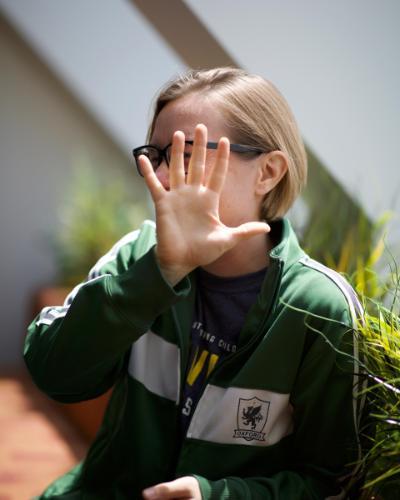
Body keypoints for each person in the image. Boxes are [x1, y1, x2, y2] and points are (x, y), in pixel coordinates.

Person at [25, 67, 363, 499]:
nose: (163, 178)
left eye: (188, 156)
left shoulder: (320, 309)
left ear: (268, 172)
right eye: (158, 155)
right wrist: (157, 275)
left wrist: (215, 495)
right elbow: (54, 372)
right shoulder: (137, 256)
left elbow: (337, 485)